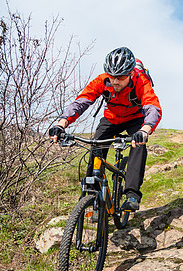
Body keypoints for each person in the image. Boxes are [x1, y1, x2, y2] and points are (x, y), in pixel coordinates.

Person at [49, 47, 162, 211]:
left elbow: (153, 107)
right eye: (112, 76)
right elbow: (82, 102)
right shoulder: (102, 81)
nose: (115, 81)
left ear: (131, 74)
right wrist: (62, 123)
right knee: (95, 146)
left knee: (138, 146)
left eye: (121, 77)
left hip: (135, 119)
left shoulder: (141, 82)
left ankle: (132, 195)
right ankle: (92, 193)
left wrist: (145, 130)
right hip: (111, 118)